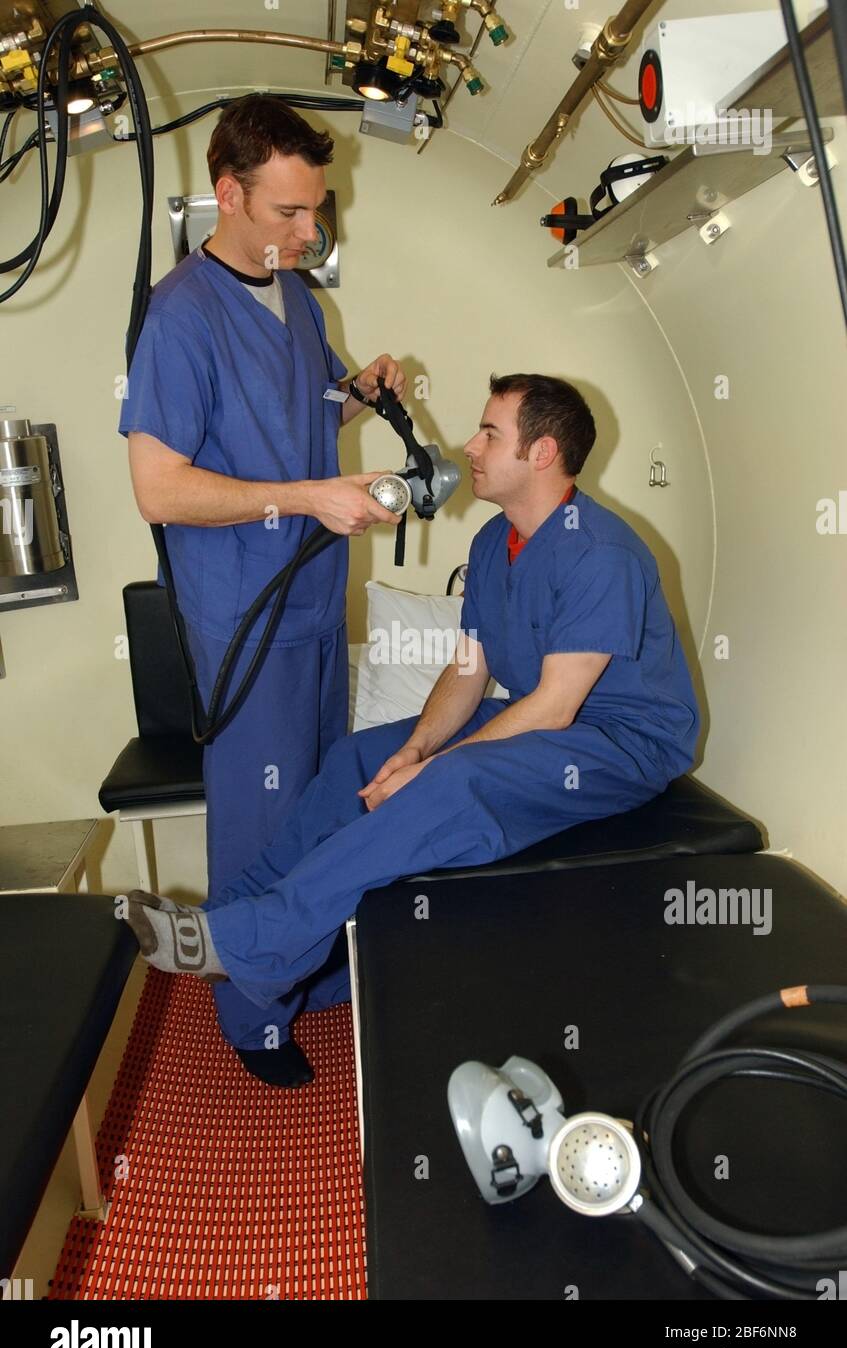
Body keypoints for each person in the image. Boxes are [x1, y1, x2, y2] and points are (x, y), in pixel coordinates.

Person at [126, 373, 702, 1053]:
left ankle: (258, 942)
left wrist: (437, 770)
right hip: (545, 722)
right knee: (357, 757)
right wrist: (415, 751)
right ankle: (228, 919)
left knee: (455, 783)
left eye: (491, 432)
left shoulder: (599, 553)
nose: (470, 445)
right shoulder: (494, 542)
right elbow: (466, 670)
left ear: (542, 453)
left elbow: (553, 706)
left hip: (620, 743)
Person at [119, 94, 406, 1087]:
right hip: (246, 614)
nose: (308, 231)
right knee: (261, 816)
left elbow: (311, 398)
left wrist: (361, 389)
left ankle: (312, 973)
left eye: (315, 209)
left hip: (319, 598)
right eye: (287, 211)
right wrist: (303, 495)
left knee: (325, 799)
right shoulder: (181, 314)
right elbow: (159, 486)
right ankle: (251, 1014)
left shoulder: (298, 297)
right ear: (225, 193)